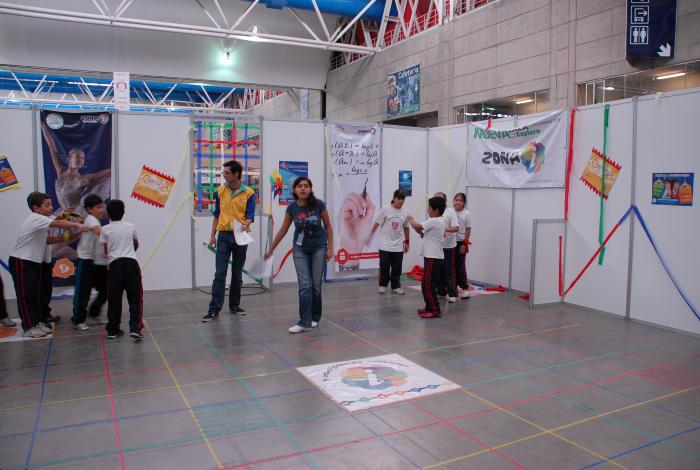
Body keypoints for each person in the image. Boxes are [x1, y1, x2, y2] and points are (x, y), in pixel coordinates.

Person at [9, 192, 86, 338]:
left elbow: (49, 237)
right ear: (36, 208)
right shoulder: (35, 218)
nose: (51, 208)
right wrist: (76, 224)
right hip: (22, 261)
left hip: (35, 262)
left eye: (51, 204)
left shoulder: (44, 218)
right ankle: (29, 327)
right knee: (26, 296)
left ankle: (38, 321)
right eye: (47, 205)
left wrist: (71, 232)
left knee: (38, 293)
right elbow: (57, 223)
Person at [265, 177, 334, 333]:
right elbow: (283, 230)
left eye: (306, 186)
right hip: (299, 249)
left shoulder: (319, 204)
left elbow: (328, 227)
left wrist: (330, 248)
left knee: (316, 286)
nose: (303, 188)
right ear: (294, 190)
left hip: (319, 248)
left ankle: (315, 317)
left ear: (310, 189)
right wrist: (271, 249)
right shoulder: (292, 208)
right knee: (305, 285)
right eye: (300, 186)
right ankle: (304, 322)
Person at [202, 160, 256, 322]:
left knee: (237, 274)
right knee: (220, 273)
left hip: (240, 237)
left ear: (236, 174)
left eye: (227, 173)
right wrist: (213, 236)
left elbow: (250, 216)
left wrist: (245, 224)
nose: (224, 175)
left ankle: (234, 305)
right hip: (224, 236)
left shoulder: (249, 193)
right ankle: (214, 309)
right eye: (223, 172)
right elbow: (217, 215)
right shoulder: (220, 192)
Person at [99, 199, 143, 341]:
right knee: (135, 298)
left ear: (108, 214)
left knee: (114, 299)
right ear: (124, 212)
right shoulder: (131, 227)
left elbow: (106, 251)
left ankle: (113, 330)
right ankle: (135, 328)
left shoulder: (105, 229)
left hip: (115, 266)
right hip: (131, 264)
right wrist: (130, 252)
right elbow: (136, 243)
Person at [71, 194, 108, 331]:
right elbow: (100, 233)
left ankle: (94, 312)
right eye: (98, 207)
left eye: (102, 206)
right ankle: (78, 320)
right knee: (83, 293)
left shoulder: (96, 220)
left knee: (107, 288)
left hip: (97, 262)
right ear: (89, 209)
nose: (102, 209)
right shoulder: (91, 220)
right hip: (85, 260)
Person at [407, 197, 446, 319]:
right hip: (431, 256)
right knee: (425, 284)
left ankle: (435, 310)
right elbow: (421, 232)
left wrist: (410, 219)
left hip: (433, 256)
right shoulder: (435, 221)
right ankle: (429, 307)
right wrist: (416, 227)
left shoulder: (435, 221)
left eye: (429, 208)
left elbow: (418, 226)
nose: (427, 210)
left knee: (429, 284)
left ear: (436, 211)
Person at [370, 189, 409, 295]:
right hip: (385, 245)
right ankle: (382, 285)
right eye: (399, 198)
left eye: (403, 199)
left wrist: (407, 241)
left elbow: (406, 227)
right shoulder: (386, 209)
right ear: (394, 198)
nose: (401, 201)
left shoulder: (405, 211)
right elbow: (377, 223)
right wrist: (370, 235)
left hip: (398, 245)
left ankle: (395, 286)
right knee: (384, 266)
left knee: (397, 267)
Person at [434, 192, 459, 303]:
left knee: (448, 271)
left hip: (448, 247)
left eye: (439, 198)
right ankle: (441, 292)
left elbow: (456, 228)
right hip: (437, 246)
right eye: (435, 198)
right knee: (437, 271)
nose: (437, 200)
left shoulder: (450, 212)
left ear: (444, 201)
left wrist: (444, 230)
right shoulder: (435, 212)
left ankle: (452, 293)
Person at [453, 193, 472, 299]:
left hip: (460, 243)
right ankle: (453, 287)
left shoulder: (467, 214)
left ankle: (464, 288)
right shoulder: (450, 212)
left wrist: (465, 243)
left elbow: (468, 229)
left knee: (460, 266)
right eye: (456, 200)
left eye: (460, 200)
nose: (458, 202)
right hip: (450, 243)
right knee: (451, 266)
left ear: (464, 203)